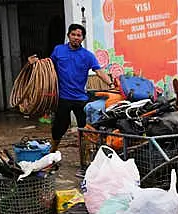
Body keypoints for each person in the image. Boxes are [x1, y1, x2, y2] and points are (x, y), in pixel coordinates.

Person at [29, 24, 115, 152]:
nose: (75, 37)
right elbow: (48, 67)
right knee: (59, 127)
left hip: (81, 97)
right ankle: (53, 151)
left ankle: (84, 155)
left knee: (84, 128)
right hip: (62, 97)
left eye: (79, 35)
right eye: (73, 34)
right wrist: (35, 64)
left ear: (83, 38)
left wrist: (111, 85)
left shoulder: (87, 55)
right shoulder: (58, 50)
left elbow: (99, 71)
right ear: (68, 35)